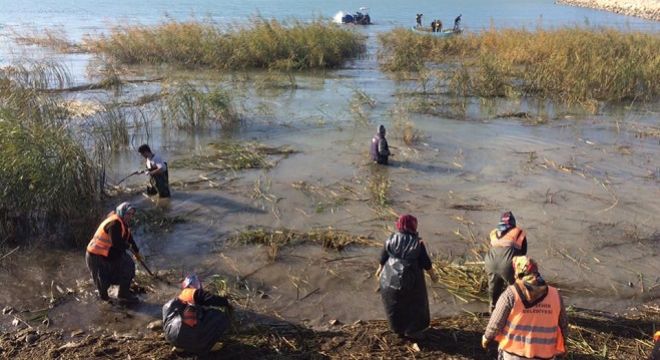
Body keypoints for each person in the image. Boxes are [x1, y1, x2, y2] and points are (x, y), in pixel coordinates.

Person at [482, 256, 568, 360]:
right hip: (545, 355)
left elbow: (496, 323)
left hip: (514, 353)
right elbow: (563, 324)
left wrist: (487, 338)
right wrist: (564, 344)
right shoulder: (555, 294)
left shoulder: (511, 294)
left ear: (517, 272)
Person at [376, 214, 438, 339]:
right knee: (415, 304)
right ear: (413, 226)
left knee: (394, 303)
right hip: (411, 279)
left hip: (389, 278)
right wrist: (433, 276)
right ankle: (413, 331)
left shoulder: (390, 239)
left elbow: (383, 258)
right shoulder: (418, 243)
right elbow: (425, 262)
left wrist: (379, 272)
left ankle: (398, 329)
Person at [85, 202, 140, 303]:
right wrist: (128, 247)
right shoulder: (114, 223)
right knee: (102, 282)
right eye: (128, 214)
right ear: (122, 212)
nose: (130, 217)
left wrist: (136, 251)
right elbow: (116, 242)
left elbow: (129, 238)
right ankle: (105, 302)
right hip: (96, 255)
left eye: (132, 214)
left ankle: (123, 293)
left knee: (129, 266)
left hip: (109, 253)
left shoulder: (123, 223)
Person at [162, 274, 232, 354]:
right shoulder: (189, 292)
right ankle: (208, 345)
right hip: (192, 340)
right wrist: (226, 302)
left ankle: (179, 347)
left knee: (189, 323)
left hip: (171, 339)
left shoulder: (169, 304)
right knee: (220, 316)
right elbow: (210, 298)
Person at [484, 211, 528, 313]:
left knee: (494, 287)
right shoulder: (519, 232)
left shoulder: (493, 232)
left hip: (490, 262)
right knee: (515, 288)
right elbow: (523, 253)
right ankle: (517, 311)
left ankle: (492, 308)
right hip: (508, 263)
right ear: (513, 222)